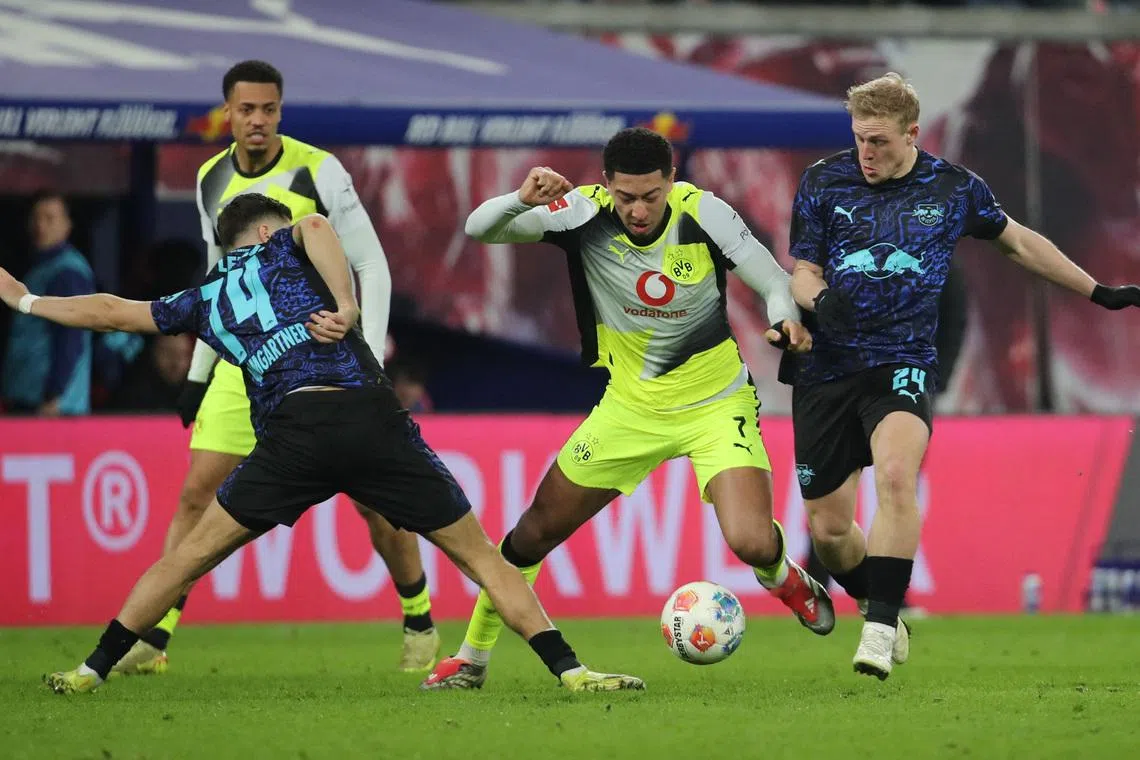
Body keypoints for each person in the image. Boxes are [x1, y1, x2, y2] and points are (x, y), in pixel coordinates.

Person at [2, 193, 644, 695]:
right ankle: (569, 670)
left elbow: (113, 310)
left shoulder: (201, 299)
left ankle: (91, 669)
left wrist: (27, 301)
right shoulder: (288, 246)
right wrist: (346, 302)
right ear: (262, 233)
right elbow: (314, 227)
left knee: (187, 556)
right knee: (480, 557)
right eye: (277, 227)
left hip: (291, 439)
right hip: (368, 419)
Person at [423, 127, 835, 690]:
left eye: (651, 196)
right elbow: (480, 230)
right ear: (606, 184)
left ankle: (785, 577)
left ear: (671, 182)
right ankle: (472, 659)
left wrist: (785, 318)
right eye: (625, 197)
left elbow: (773, 281)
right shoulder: (578, 211)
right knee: (530, 536)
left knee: (751, 541)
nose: (638, 210)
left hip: (715, 404)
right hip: (627, 412)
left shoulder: (705, 213)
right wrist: (521, 199)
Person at [783, 72, 1140, 681]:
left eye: (879, 141)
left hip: (902, 362)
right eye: (859, 139)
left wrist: (1097, 290)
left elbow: (1020, 244)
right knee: (830, 528)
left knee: (897, 475)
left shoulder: (953, 188)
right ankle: (881, 608)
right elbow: (803, 273)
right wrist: (820, 302)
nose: (866, 153)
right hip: (827, 368)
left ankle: (876, 630)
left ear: (912, 133)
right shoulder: (823, 180)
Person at [114, 60, 440, 677]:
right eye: (246, 110)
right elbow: (220, 286)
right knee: (195, 496)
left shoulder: (320, 171)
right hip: (249, 366)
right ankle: (152, 641)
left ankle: (418, 617)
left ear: (280, 112)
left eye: (268, 109)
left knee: (376, 504)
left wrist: (365, 355)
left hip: (326, 358)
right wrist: (197, 375)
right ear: (228, 114)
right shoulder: (211, 178)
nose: (257, 120)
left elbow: (373, 266)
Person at [1, 191, 95, 415]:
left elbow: (70, 337)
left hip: (50, 406)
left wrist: (54, 395)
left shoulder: (67, 272)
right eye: (36, 218)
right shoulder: (40, 267)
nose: (41, 226)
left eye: (50, 218)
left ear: (67, 225)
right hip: (29, 396)